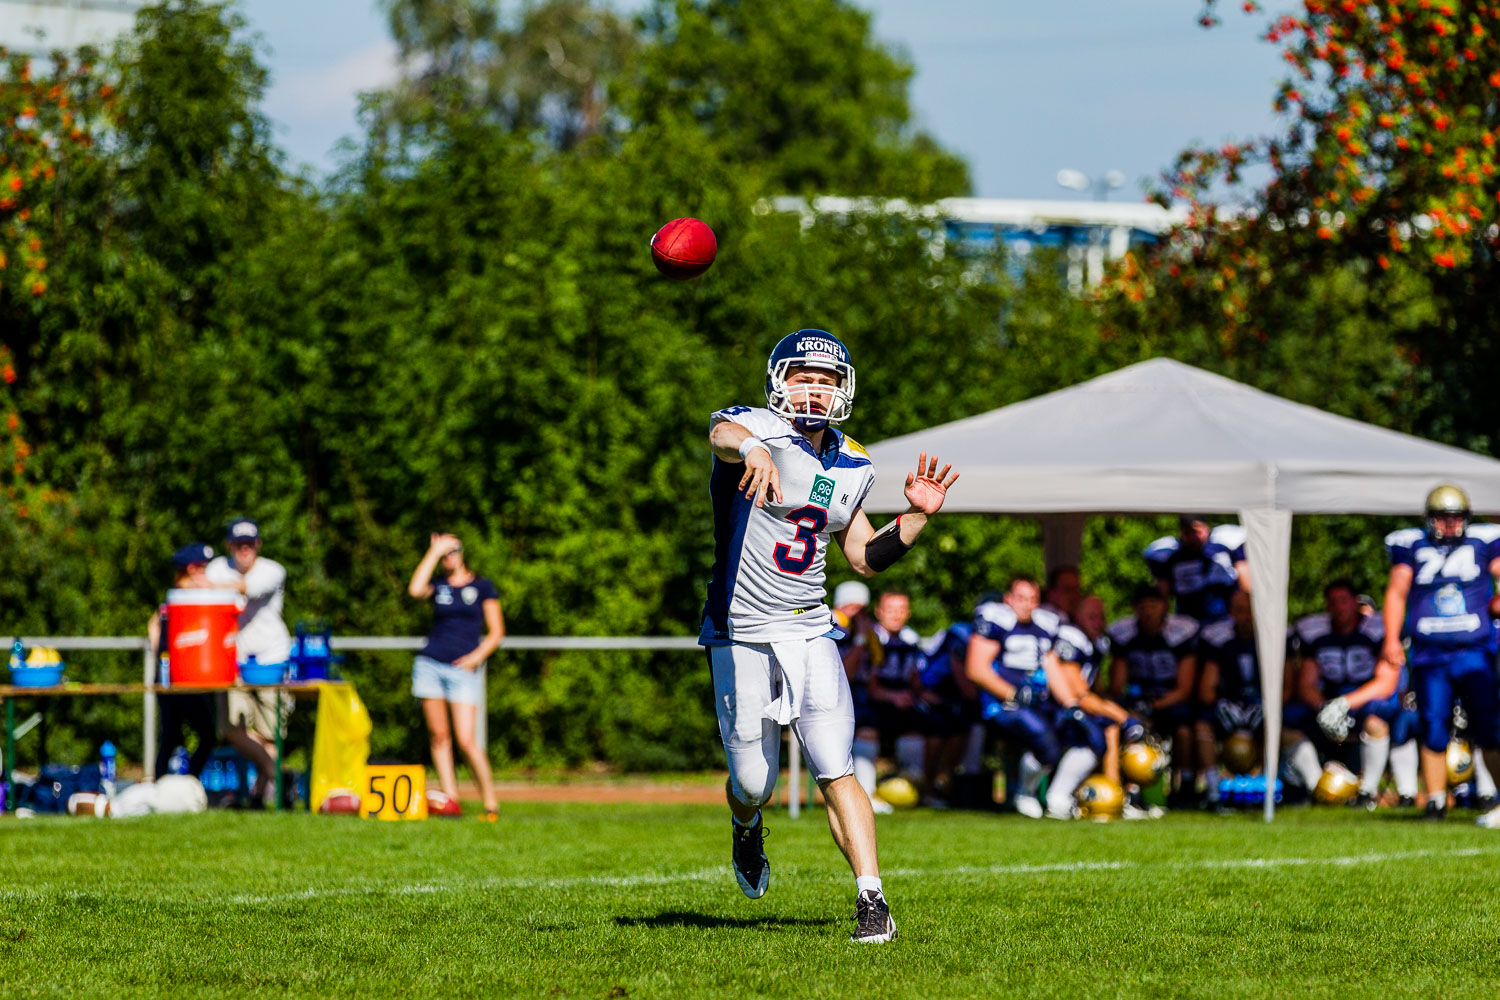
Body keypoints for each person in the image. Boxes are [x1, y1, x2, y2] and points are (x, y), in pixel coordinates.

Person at [700, 328, 958, 944]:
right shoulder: (753, 426)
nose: (813, 389)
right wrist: (755, 451)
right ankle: (746, 825)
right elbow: (721, 433)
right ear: (778, 382)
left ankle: (872, 899)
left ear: (843, 389)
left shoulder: (855, 461)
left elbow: (864, 557)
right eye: (802, 376)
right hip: (740, 631)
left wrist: (916, 518)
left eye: (826, 379)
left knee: (836, 766)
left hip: (811, 626)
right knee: (753, 784)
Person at [1318, 486, 1500, 822]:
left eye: (1456, 517)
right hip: (1430, 653)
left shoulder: (1481, 543)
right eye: (1444, 517)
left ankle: (1497, 799)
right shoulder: (1413, 546)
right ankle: (1434, 801)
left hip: (1474, 650)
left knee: (1489, 726)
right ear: (1430, 519)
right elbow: (1397, 592)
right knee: (1432, 726)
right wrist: (1390, 638)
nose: (1450, 524)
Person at [1289, 580, 1419, 808]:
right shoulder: (1316, 633)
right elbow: (1306, 683)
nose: (1339, 608)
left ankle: (1367, 792)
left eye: (1344, 601)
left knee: (1380, 721)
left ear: (1355, 603)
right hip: (1331, 697)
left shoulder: (1377, 630)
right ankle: (1317, 788)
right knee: (1287, 721)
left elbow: (1386, 684)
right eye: (1333, 603)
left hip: (1367, 698)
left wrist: (1344, 704)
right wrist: (1325, 708)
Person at [408, 532, 504, 821]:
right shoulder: (438, 586)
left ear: (463, 552)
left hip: (463, 670)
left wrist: (475, 658)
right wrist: (434, 552)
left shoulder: (482, 586)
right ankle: (451, 801)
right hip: (430, 665)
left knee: (466, 740)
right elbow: (414, 590)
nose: (449, 556)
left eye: (453, 550)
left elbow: (496, 632)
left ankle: (490, 803)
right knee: (439, 737)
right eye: (445, 552)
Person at [964, 576, 1077, 819]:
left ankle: (1054, 796)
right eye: (1021, 598)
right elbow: (975, 668)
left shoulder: (1046, 623)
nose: (1028, 604)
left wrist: (1072, 705)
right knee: (1043, 736)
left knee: (1074, 730)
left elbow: (1051, 667)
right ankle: (1025, 793)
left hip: (1038, 701)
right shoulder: (996, 620)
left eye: (1033, 598)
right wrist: (1012, 693)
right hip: (1001, 704)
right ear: (1008, 599)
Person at [206, 518, 291, 806]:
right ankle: (276, 775)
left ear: (258, 545)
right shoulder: (217, 567)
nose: (244, 550)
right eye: (238, 544)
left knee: (271, 735)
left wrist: (210, 586)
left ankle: (257, 795)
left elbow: (246, 588)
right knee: (230, 728)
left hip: (272, 659)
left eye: (249, 544)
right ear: (229, 545)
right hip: (232, 661)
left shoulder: (273, 571)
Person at [1052, 595, 1147, 812]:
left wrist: (1125, 714)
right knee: (1109, 729)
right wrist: (1125, 718)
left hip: (1077, 706)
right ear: (1078, 617)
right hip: (1058, 709)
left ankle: (1123, 793)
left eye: (1101, 617)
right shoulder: (1071, 637)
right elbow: (1081, 695)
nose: (1098, 622)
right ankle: (1109, 794)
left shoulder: (1098, 643)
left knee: (1120, 725)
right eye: (1092, 617)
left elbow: (1099, 690)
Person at [1108, 585, 1200, 805]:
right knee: (1127, 728)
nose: (1148, 612)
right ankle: (1130, 788)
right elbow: (1117, 685)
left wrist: (1155, 706)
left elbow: (1184, 689)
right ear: (1135, 609)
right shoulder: (1125, 636)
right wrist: (1129, 708)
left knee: (1184, 729)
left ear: (1164, 607)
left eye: (1153, 606)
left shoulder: (1179, 635)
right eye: (1143, 607)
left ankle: (1185, 785)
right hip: (1138, 699)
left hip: (1169, 700)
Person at [146, 543, 219, 778]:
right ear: (192, 568)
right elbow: (155, 625)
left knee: (174, 736)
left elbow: (153, 624)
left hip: (178, 675)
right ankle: (182, 782)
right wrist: (164, 657)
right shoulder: (182, 598)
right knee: (194, 734)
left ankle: (174, 782)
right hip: (175, 677)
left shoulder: (179, 597)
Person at [1195, 591, 1263, 809]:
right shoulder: (1220, 641)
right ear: (1232, 613)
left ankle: (1265, 785)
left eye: (1251, 611)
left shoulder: (1270, 640)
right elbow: (1206, 690)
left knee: (1280, 723)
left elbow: (1286, 687)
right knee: (1202, 724)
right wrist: (1222, 704)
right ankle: (1214, 792)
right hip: (1229, 706)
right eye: (1241, 611)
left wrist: (1265, 706)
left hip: (1260, 707)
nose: (1247, 617)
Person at [1143, 517, 1245, 624]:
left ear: (1207, 528)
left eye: (1197, 532)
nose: (1193, 537)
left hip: (1225, 618)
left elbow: (1245, 584)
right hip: (1188, 622)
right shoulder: (1170, 555)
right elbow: (1162, 593)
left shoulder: (1224, 546)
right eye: (1188, 532)